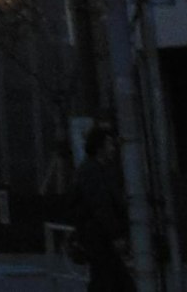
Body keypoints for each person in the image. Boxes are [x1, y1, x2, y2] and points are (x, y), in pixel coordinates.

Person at [71, 124, 136, 292]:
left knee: (106, 281)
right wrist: (116, 235)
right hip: (99, 238)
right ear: (100, 147)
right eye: (110, 144)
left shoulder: (96, 170)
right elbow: (101, 205)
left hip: (99, 237)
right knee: (113, 282)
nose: (113, 148)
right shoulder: (93, 172)